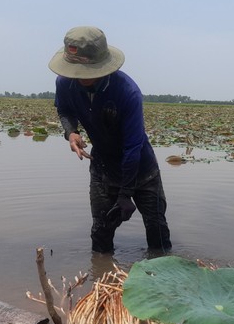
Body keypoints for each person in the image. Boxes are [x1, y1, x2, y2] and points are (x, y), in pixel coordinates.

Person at [48, 26, 171, 253]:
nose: (80, 76)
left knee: (158, 233)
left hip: (142, 170)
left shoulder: (127, 92)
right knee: (101, 232)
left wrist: (125, 194)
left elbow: (133, 147)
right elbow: (64, 110)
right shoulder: (64, 83)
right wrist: (71, 132)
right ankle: (101, 275)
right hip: (103, 167)